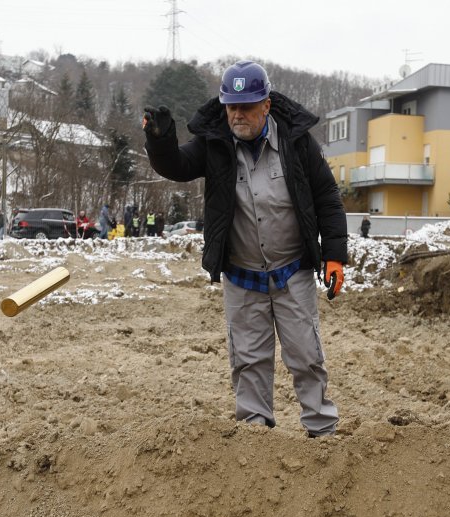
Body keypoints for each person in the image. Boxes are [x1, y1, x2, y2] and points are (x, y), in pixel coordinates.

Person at [142, 60, 347, 438]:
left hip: (292, 271)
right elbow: (179, 165)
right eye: (231, 106)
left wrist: (334, 256)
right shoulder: (214, 142)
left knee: (306, 355)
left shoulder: (296, 141)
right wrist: (159, 140)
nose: (238, 115)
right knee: (249, 361)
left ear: (266, 105)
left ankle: (322, 432)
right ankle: (255, 439)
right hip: (242, 275)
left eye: (247, 106)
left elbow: (327, 198)